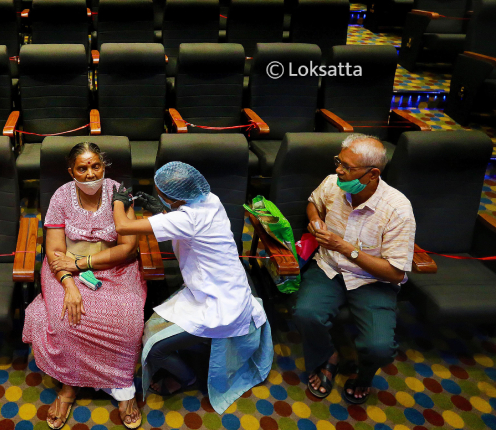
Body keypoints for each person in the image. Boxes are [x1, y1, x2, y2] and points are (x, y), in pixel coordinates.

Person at [110, 163, 272, 414]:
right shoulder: (210, 199)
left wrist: (118, 202)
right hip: (221, 287)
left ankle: (187, 378)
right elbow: (179, 220)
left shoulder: (185, 219)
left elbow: (123, 227)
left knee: (153, 347)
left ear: (174, 197)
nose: (157, 194)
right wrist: (162, 209)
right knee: (158, 328)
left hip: (220, 305)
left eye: (160, 193)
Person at [22, 143, 145, 430]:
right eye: (82, 168)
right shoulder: (61, 196)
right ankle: (68, 386)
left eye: (96, 166)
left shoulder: (119, 193)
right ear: (71, 171)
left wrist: (82, 264)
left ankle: (123, 387)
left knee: (128, 321)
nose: (90, 174)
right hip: (63, 270)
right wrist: (69, 284)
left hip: (113, 268)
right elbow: (54, 249)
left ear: (104, 166)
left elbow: (127, 248)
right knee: (66, 320)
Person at [294, 134, 415, 405]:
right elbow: (313, 203)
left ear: (373, 174)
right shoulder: (332, 184)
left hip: (372, 281)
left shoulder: (397, 209)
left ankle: (365, 374)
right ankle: (328, 356)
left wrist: (346, 247)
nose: (339, 170)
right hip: (330, 269)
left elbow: (396, 273)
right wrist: (315, 221)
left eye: (347, 167)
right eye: (339, 161)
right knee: (305, 314)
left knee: (380, 348)